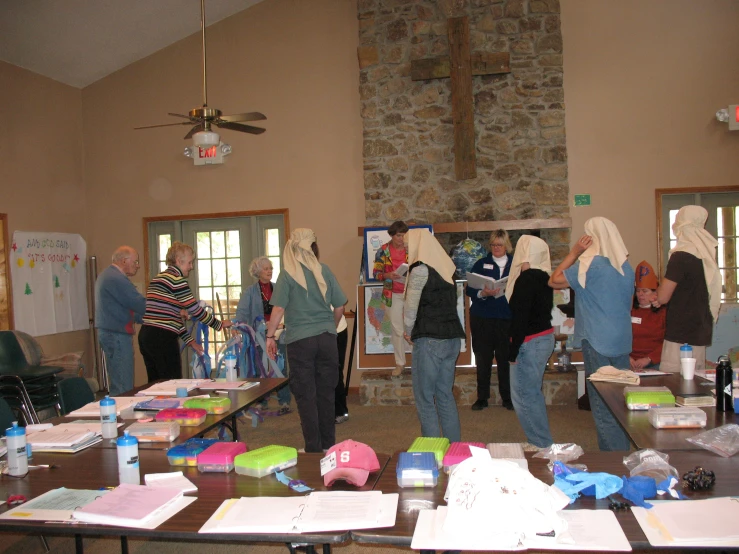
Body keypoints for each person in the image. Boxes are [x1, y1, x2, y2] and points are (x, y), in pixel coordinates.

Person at [549, 217, 634, 451]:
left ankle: (613, 461)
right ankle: (623, 452)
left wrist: (575, 252)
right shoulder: (625, 267)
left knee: (602, 404)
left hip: (596, 340)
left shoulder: (589, 266)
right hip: (622, 340)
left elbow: (554, 280)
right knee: (619, 401)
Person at [265, 229, 347, 453]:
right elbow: (339, 306)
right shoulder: (325, 270)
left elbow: (279, 308)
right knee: (326, 394)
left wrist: (270, 336)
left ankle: (313, 448)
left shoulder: (287, 274)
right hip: (327, 339)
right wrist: (330, 326)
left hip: (301, 342)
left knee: (306, 395)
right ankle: (328, 447)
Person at [403, 228, 465, 443]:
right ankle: (454, 449)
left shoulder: (420, 270)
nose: (406, 250)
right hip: (452, 339)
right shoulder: (448, 270)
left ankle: (432, 452)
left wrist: (408, 331)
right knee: (445, 395)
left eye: (408, 246)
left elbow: (411, 307)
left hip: (429, 339)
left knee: (425, 399)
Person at [138, 241, 231, 382]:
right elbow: (195, 310)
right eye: (189, 263)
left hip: (146, 335)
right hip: (162, 339)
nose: (191, 267)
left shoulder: (157, 279)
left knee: (155, 383)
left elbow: (169, 318)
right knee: (172, 383)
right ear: (178, 261)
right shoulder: (177, 280)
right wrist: (218, 324)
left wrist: (190, 341)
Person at [651, 206, 721, 373]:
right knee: (696, 381)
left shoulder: (680, 256)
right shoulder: (705, 254)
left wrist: (656, 297)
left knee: (674, 382)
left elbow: (664, 296)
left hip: (680, 333)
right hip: (700, 330)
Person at [505, 235, 554, 449]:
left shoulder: (527, 278)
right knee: (532, 392)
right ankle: (538, 439)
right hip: (543, 338)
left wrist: (512, 351)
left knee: (524, 396)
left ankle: (540, 443)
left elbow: (520, 317)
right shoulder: (545, 276)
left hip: (529, 342)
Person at [234, 256, 290, 412]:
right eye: (266, 269)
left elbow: (286, 308)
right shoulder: (250, 292)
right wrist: (237, 326)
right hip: (259, 335)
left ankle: (284, 400)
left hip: (278, 333)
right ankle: (261, 401)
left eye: (271, 268)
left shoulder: (277, 288)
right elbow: (242, 313)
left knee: (282, 367)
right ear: (258, 272)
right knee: (260, 368)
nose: (269, 271)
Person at [465, 230, 513, 411]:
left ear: (506, 245)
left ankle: (507, 398)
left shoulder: (515, 264)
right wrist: (482, 293)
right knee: (483, 360)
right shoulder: (481, 263)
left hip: (506, 318)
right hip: (482, 317)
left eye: (499, 245)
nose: (496, 248)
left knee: (505, 360)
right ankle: (482, 397)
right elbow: (469, 289)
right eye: (493, 245)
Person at [94, 246, 146, 395]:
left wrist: (149, 319)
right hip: (116, 336)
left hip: (112, 334)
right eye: (135, 262)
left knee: (120, 382)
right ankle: (120, 417)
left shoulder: (108, 276)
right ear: (124, 261)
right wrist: (167, 310)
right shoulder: (115, 278)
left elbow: (126, 309)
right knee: (123, 386)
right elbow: (138, 304)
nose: (137, 265)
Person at [373, 220, 409, 378]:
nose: (401, 239)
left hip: (411, 292)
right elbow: (376, 273)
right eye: (399, 236)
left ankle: (421, 362)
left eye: (404, 235)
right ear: (392, 236)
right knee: (397, 329)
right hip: (392, 293)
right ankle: (400, 363)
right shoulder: (383, 251)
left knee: (414, 327)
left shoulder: (412, 248)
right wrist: (388, 275)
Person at [630, 260, 666, 370]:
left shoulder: (663, 313)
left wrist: (649, 359)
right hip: (629, 360)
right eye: (638, 291)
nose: (640, 294)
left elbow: (667, 343)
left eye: (645, 291)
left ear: (655, 293)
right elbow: (620, 336)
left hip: (654, 361)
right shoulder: (630, 311)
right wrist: (627, 357)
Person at [335, 313, 349, 424]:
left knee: (335, 371)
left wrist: (332, 327)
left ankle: (341, 412)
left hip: (337, 331)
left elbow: (339, 307)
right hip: (318, 332)